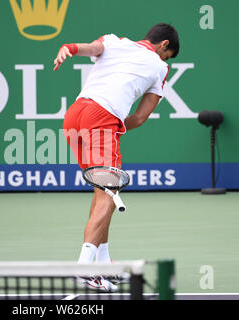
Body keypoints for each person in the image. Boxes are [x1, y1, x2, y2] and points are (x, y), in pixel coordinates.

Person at [53, 23, 180, 291]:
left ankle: (104, 265)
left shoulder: (114, 40)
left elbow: (93, 48)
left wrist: (70, 48)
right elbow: (140, 117)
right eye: (165, 55)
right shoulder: (160, 67)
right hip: (102, 118)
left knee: (104, 193)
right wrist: (115, 128)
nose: (164, 60)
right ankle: (84, 269)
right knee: (106, 193)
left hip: (74, 116)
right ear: (164, 45)